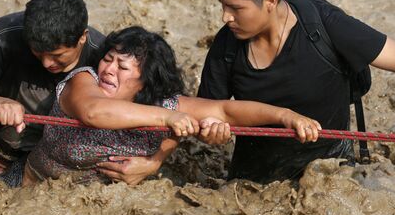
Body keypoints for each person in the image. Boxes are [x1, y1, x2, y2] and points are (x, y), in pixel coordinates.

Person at [197, 0, 395, 184]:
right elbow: (206, 112)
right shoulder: (226, 46)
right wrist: (211, 133)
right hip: (254, 178)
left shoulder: (322, 24)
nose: (225, 17)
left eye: (235, 8)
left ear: (270, 1)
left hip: (330, 171)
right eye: (222, 5)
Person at [22, 26, 322, 186]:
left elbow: (226, 111)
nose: (108, 70)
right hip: (35, 189)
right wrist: (169, 118)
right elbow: (94, 113)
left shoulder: (162, 103)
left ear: (145, 82)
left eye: (122, 67)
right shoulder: (83, 81)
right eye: (107, 59)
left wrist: (286, 116)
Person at [0, 0, 105, 177]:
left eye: (57, 55)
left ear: (82, 37)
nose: (47, 63)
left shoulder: (104, 57)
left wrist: (149, 162)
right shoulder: (0, 37)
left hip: (62, 154)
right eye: (38, 53)